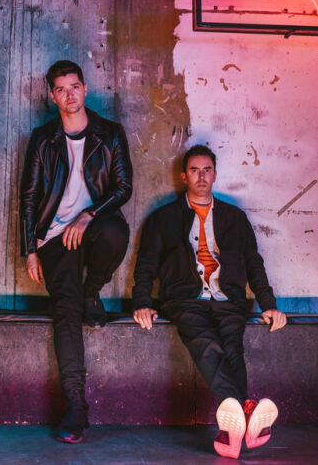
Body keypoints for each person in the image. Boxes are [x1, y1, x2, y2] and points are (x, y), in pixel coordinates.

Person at [132, 144, 287, 459]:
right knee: (205, 342)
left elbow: (253, 264)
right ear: (184, 176)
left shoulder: (234, 217)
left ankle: (231, 436)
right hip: (185, 298)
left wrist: (269, 304)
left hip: (228, 297)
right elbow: (146, 265)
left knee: (232, 348)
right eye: (194, 170)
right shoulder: (164, 218)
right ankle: (245, 409)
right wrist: (142, 302)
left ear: (215, 174)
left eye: (207, 170)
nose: (201, 176)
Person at [20, 60, 132, 443]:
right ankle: (76, 405)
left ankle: (92, 290)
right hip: (54, 238)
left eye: (74, 86)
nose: (69, 94)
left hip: (94, 226)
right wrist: (30, 250)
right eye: (61, 89)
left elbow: (123, 187)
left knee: (116, 232)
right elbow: (29, 196)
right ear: (53, 96)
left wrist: (88, 214)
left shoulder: (110, 133)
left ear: (84, 88)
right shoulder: (43, 138)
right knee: (65, 311)